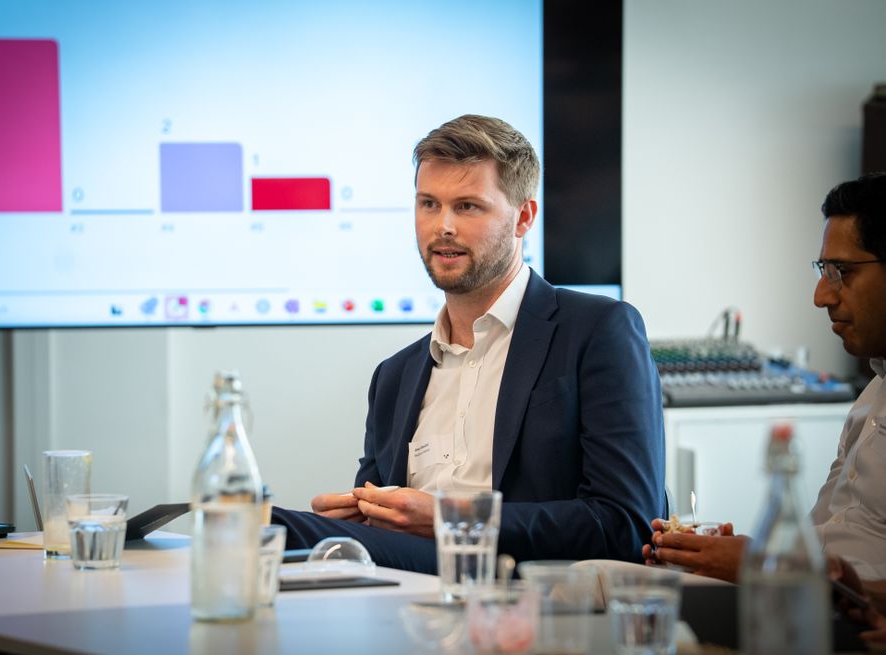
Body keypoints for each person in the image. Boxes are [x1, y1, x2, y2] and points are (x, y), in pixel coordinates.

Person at [272, 114, 666, 573]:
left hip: (523, 587)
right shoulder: (394, 377)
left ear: (523, 217)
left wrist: (452, 518)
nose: (443, 226)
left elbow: (625, 523)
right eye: (428, 204)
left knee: (264, 527)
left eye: (467, 207)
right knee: (289, 539)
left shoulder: (598, 331)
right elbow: (381, 531)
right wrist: (361, 516)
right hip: (407, 595)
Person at [642, 172, 886, 643]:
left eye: (842, 272)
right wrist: (742, 553)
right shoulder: (871, 397)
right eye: (823, 271)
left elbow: (843, 579)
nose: (821, 296)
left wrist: (764, 566)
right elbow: (821, 542)